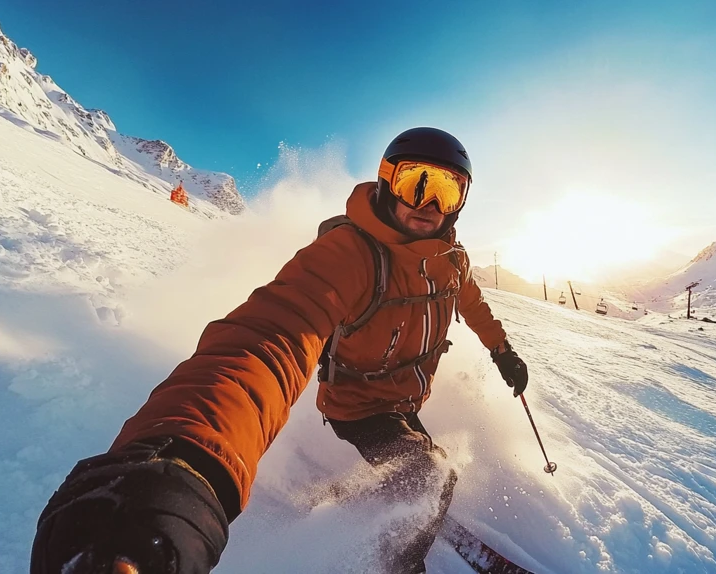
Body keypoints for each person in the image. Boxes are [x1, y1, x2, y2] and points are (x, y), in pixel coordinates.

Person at [30, 127, 529, 574]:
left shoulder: (451, 260)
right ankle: (402, 563)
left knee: (421, 460)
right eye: (415, 182)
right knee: (432, 473)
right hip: (358, 406)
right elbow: (269, 336)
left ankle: (397, 488)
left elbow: (475, 306)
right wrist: (186, 463)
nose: (428, 203)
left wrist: (502, 351)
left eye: (447, 190)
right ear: (385, 181)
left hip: (404, 400)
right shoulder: (350, 254)